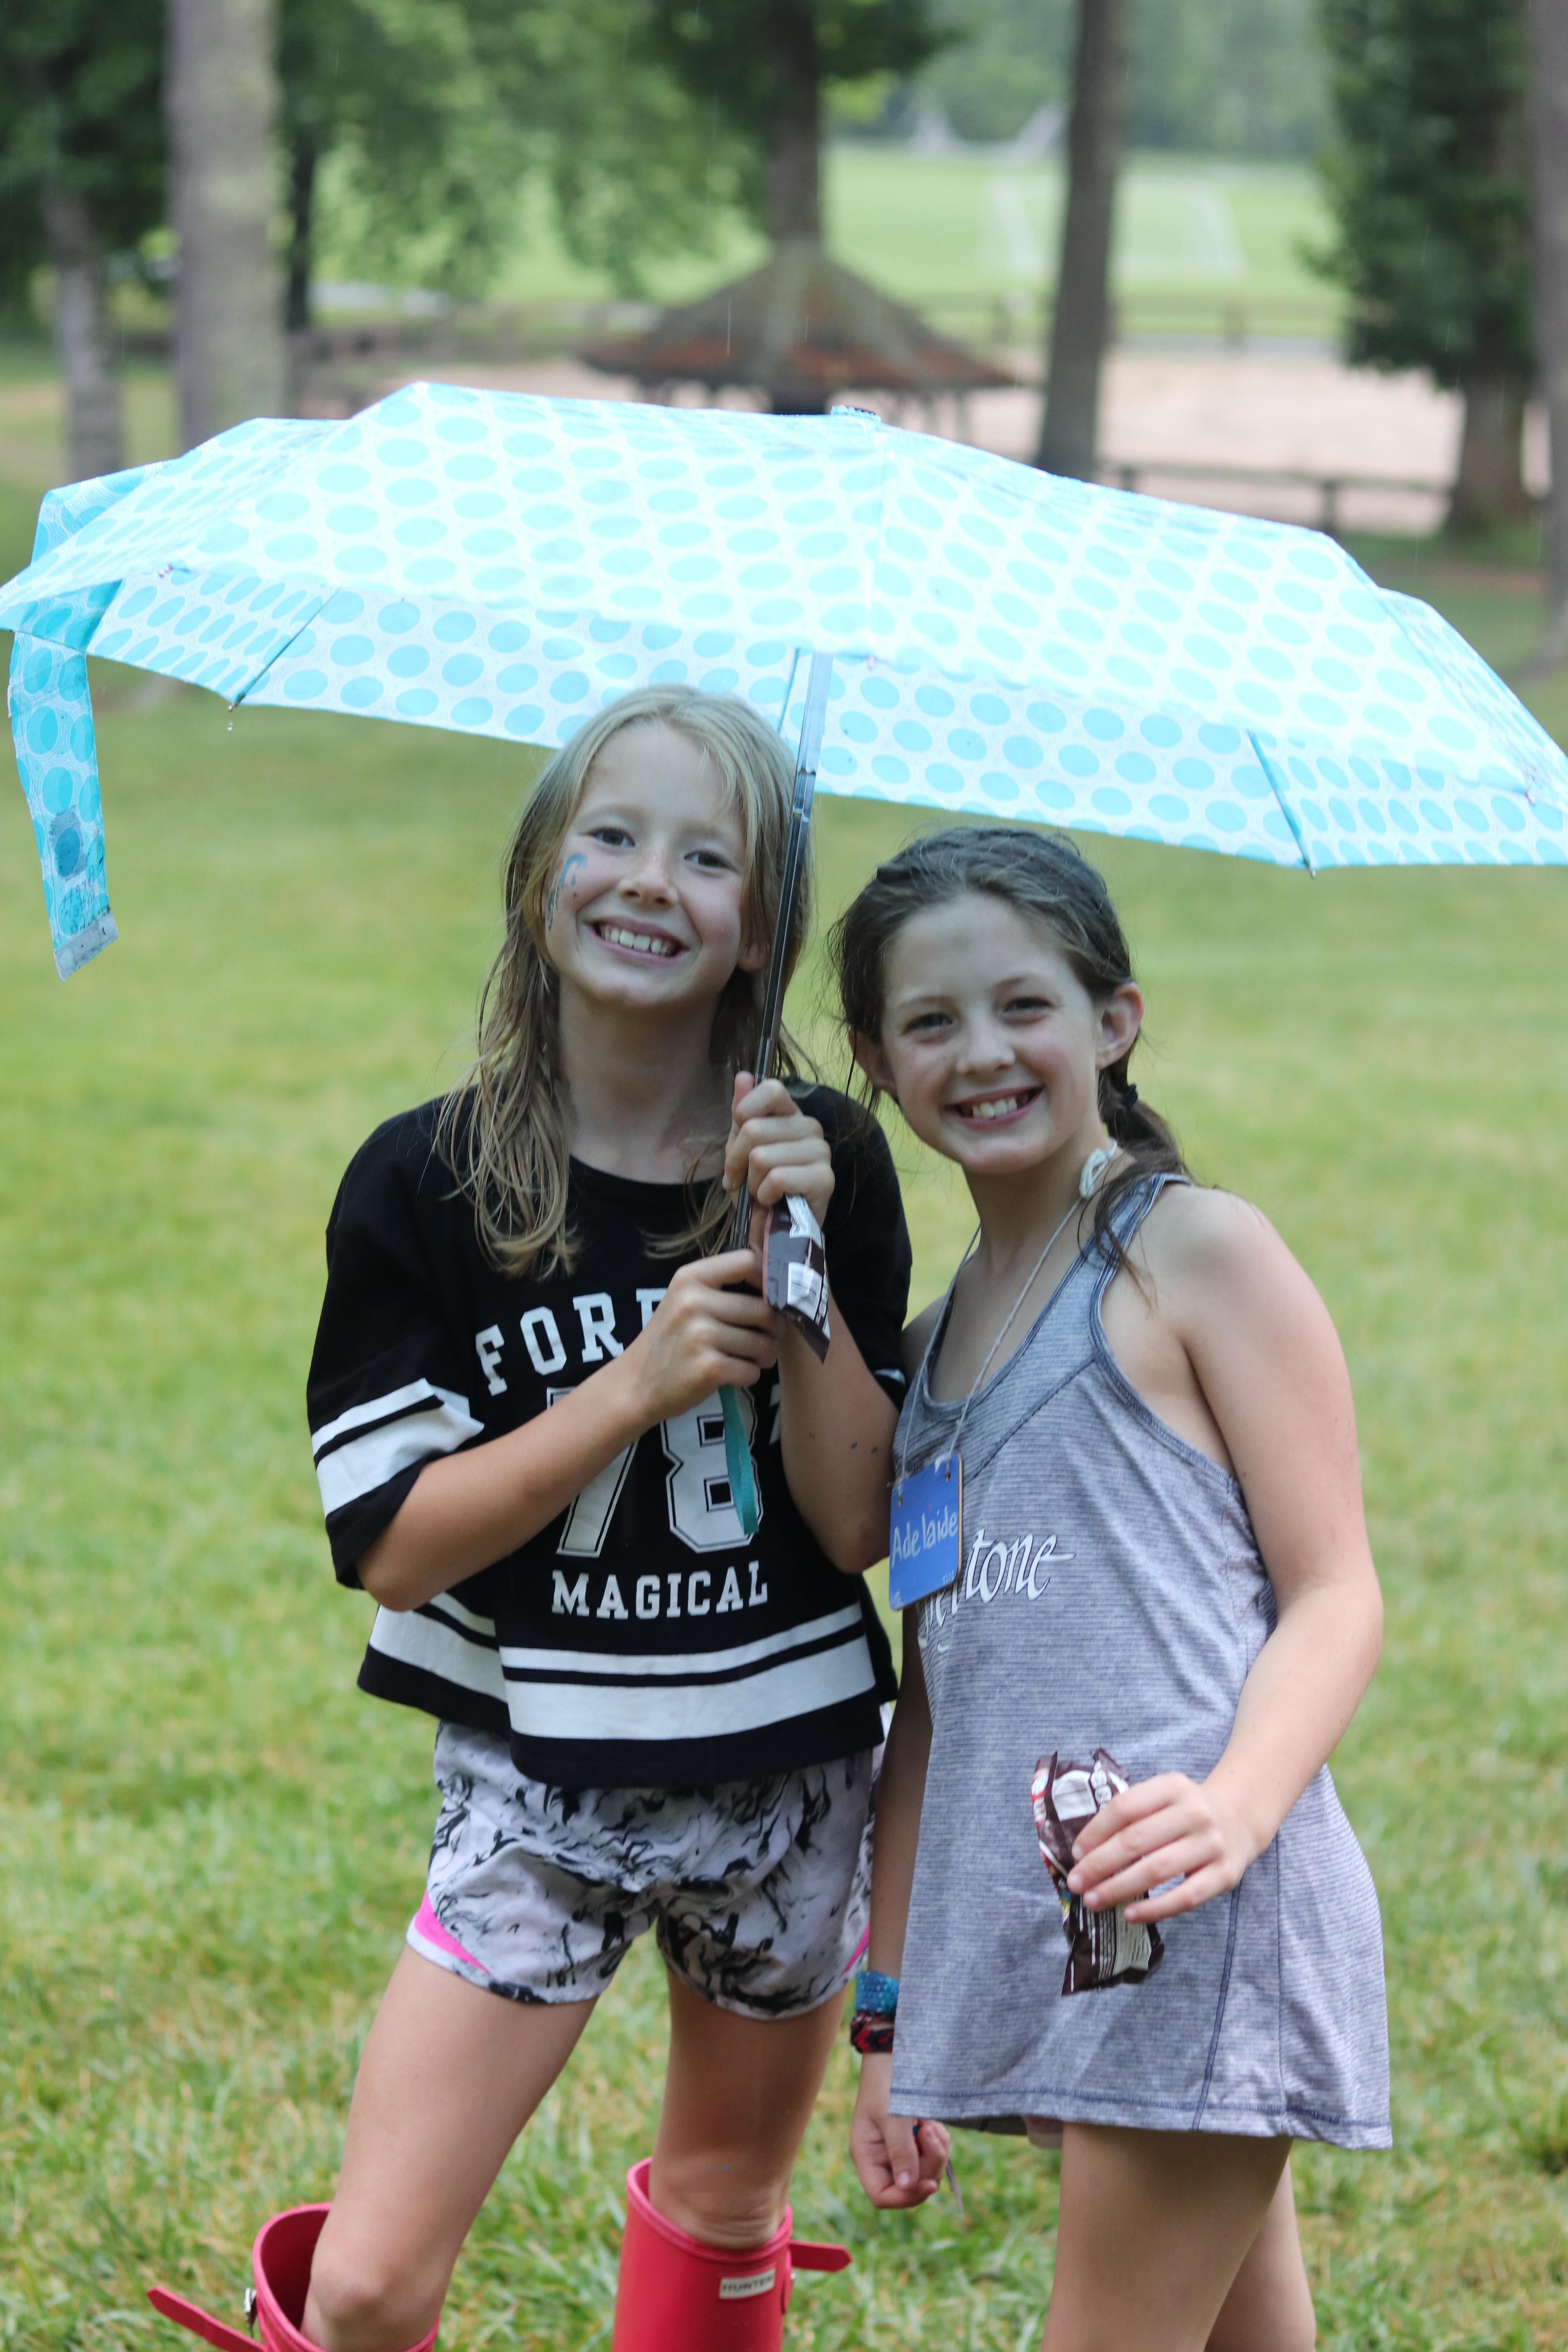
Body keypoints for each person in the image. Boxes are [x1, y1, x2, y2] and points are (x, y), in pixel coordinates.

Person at [301, 687, 911, 2352]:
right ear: (539, 875)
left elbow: (853, 1523)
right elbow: (394, 1543)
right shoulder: (424, 1178)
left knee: (723, 2211)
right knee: (368, 2284)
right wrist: (629, 1390)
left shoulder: (826, 1158)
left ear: (759, 931)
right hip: (539, 1772)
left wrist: (797, 1251)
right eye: (614, 835)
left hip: (788, 1764)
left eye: (709, 857)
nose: (651, 879)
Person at [834, 826, 1389, 2352]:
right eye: (930, 1020)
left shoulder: (1193, 1255)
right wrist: (886, 2013)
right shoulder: (933, 1349)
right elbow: (934, 1708)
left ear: (1113, 1021)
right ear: (875, 1063)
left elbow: (1337, 1593)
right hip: (1067, 1945)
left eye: (1024, 1004)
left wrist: (1234, 1809)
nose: (982, 1051)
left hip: (1198, 1914)